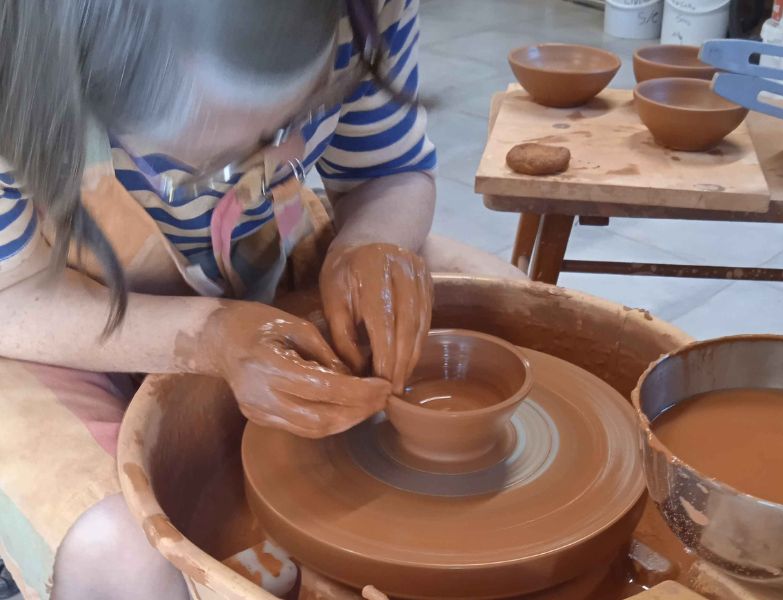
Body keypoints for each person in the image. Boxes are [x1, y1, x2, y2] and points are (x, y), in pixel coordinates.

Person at [0, 1, 524, 598]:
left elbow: (388, 169)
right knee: (121, 550)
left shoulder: (366, 10)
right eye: (210, 162)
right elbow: (10, 299)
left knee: (505, 295)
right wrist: (213, 336)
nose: (273, 155)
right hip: (51, 313)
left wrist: (371, 246)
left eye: (291, 120)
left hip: (258, 250)